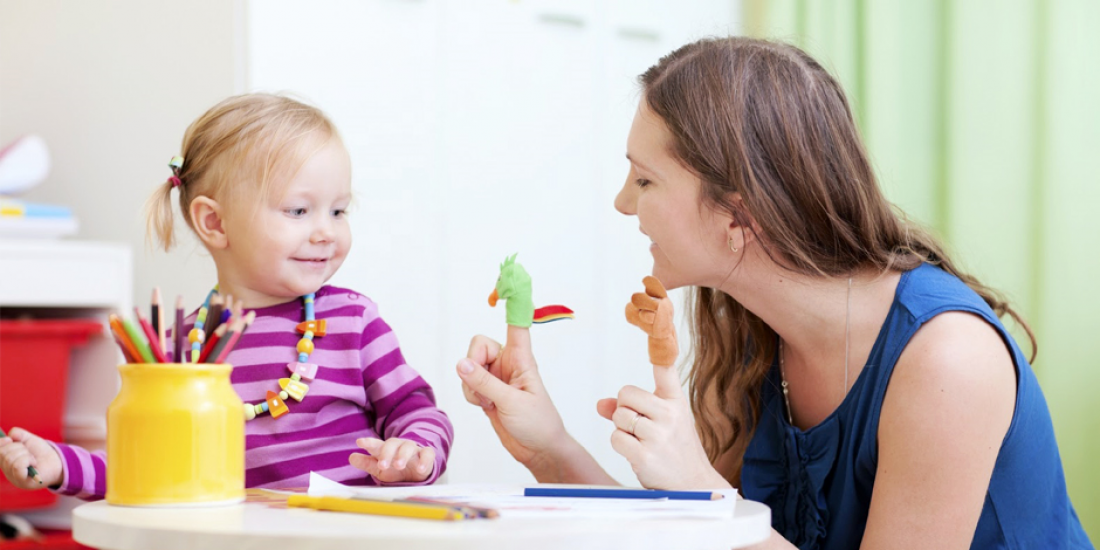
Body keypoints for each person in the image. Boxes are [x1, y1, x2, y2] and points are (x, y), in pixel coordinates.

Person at [455, 37, 1092, 549]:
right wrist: (551, 449)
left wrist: (706, 493)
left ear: (740, 213)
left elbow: (716, 522)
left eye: (645, 181)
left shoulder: (948, 360)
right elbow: (690, 534)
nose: (623, 204)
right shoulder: (754, 331)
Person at [0, 93, 454, 497]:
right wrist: (62, 466)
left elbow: (416, 409)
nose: (326, 231)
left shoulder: (353, 321)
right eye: (299, 210)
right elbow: (148, 466)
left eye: (339, 210)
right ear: (215, 223)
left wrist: (416, 452)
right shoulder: (179, 348)